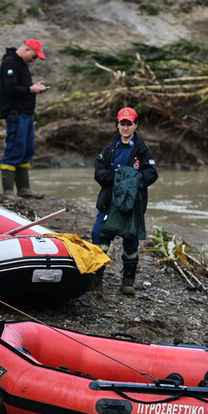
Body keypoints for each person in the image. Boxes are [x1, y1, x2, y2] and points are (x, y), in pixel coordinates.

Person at [92, 107, 158, 296]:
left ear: (136, 125)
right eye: (123, 123)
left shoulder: (143, 150)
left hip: (132, 205)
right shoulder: (109, 149)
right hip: (109, 203)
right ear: (118, 125)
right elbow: (99, 172)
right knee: (99, 235)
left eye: (130, 124)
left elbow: (152, 174)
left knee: (131, 241)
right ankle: (97, 278)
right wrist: (117, 179)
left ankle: (128, 281)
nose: (126, 127)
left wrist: (131, 181)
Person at [0, 38, 48, 198]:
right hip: (16, 115)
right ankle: (8, 191)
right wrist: (31, 89)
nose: (34, 60)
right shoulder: (10, 62)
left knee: (26, 149)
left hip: (26, 114)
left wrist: (34, 88)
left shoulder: (22, 64)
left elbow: (23, 88)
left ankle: (24, 188)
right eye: (34, 56)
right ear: (27, 50)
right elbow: (11, 88)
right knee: (14, 148)